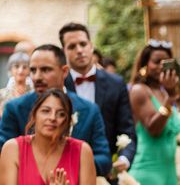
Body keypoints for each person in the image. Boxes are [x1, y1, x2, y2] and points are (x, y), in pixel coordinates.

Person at [0, 44, 111, 176]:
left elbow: (104, 159)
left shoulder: (89, 110)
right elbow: (3, 152)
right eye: (33, 70)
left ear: (64, 71)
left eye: (45, 70)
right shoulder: (15, 108)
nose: (37, 77)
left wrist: (66, 165)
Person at [59, 23, 137, 177]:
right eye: (72, 46)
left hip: (108, 173)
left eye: (83, 44)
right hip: (66, 172)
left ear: (91, 45)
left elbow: (127, 129)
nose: (79, 50)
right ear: (64, 52)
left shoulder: (116, 83)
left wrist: (124, 158)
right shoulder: (59, 84)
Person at [0, 89, 96, 184]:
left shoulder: (82, 151)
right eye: (46, 111)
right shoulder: (12, 149)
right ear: (34, 115)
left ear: (68, 122)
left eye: (61, 114)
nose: (52, 118)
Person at [128, 41, 180, 185]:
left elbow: (167, 132)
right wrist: (170, 98)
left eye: (165, 62)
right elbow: (154, 129)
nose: (160, 66)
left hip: (169, 173)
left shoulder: (163, 91)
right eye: (156, 61)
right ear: (145, 64)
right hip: (148, 173)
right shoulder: (139, 90)